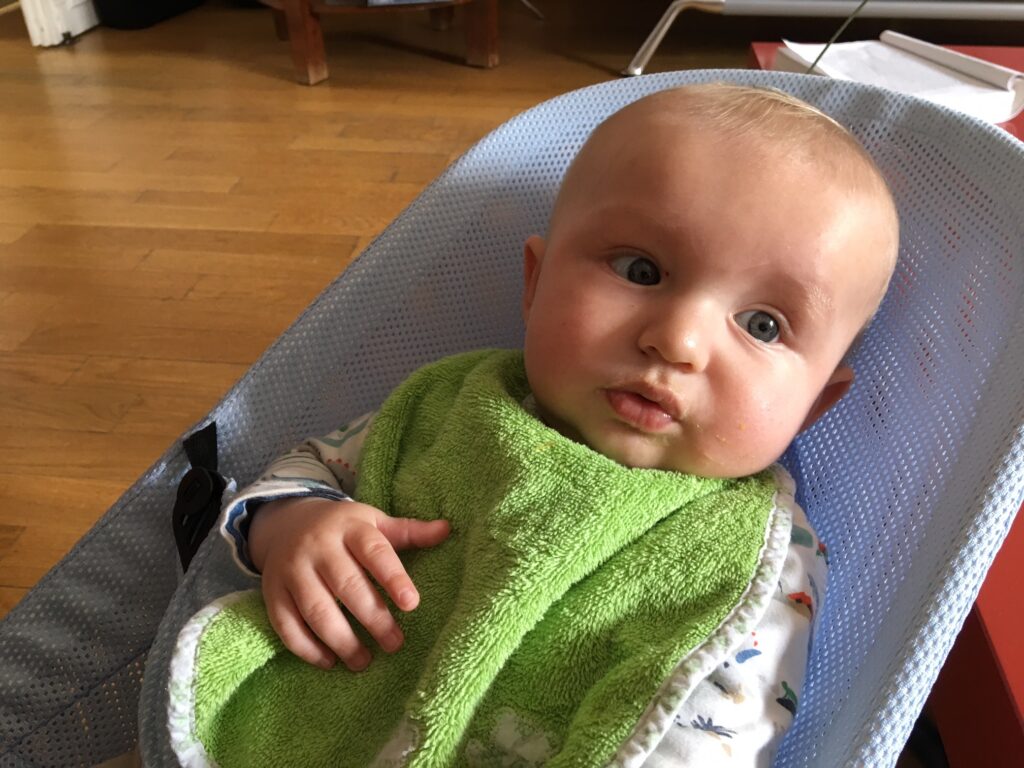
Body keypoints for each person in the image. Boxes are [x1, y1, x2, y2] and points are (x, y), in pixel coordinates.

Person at [215, 83, 899, 765]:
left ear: (814, 406)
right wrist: (294, 526)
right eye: (642, 270)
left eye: (762, 325)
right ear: (535, 284)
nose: (678, 341)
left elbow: (720, 733)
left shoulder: (760, 556)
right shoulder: (456, 404)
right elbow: (312, 467)